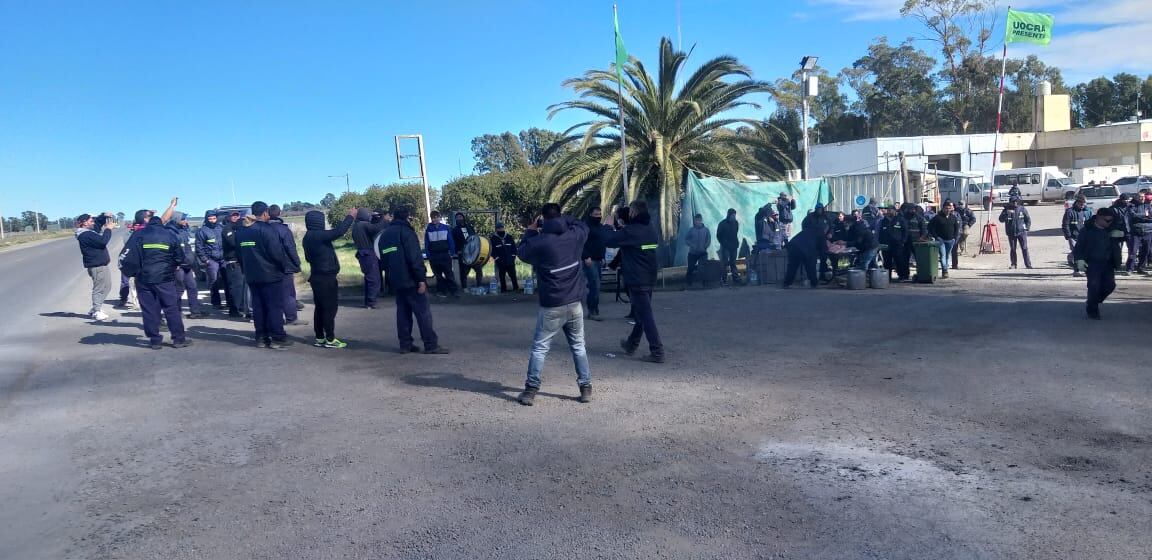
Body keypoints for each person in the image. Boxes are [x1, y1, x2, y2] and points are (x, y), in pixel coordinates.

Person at [515, 203, 592, 405]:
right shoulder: (574, 236)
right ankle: (585, 388)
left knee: (540, 348)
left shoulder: (540, 243)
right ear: (559, 216)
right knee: (578, 347)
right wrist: (562, 218)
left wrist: (531, 230)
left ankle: (531, 390)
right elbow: (583, 225)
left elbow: (522, 251)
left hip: (552, 305)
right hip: (574, 303)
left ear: (543, 220)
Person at [379, 207, 448, 354]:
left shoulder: (385, 235)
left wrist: (391, 275)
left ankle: (405, 345)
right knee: (423, 313)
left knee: (402, 313)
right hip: (411, 280)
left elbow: (383, 259)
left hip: (395, 280)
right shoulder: (407, 233)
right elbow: (414, 258)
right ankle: (431, 345)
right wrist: (421, 279)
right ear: (406, 218)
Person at [121, 211, 191, 349]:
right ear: (161, 224)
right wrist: (173, 266)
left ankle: (155, 340)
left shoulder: (138, 235)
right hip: (165, 278)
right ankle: (178, 339)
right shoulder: (169, 235)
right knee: (171, 308)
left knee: (149, 310)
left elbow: (127, 255)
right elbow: (179, 257)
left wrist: (133, 272)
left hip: (143, 278)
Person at [605, 200, 663, 363]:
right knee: (641, 314)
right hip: (649, 276)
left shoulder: (631, 231)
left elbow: (609, 240)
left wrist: (608, 225)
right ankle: (632, 344)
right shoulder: (650, 228)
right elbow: (632, 246)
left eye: (630, 211)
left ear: (634, 212)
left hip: (637, 278)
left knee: (645, 315)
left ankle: (657, 351)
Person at [236, 201, 293, 349]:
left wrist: (245, 270)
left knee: (258, 306)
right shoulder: (266, 229)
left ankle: (261, 337)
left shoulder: (241, 231)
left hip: (252, 275)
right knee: (274, 306)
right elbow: (277, 253)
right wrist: (282, 267)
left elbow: (239, 255)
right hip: (270, 275)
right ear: (265, 213)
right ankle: (277, 337)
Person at [303, 207, 356, 348]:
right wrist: (350, 217)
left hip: (316, 276)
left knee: (320, 308)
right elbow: (339, 231)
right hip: (326, 277)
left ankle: (319, 337)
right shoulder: (317, 235)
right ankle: (330, 339)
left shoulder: (307, 237)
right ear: (318, 222)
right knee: (329, 308)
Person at [1074, 208, 1122, 320]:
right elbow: (1079, 247)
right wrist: (1079, 260)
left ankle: (1093, 301)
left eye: (1111, 221)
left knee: (1110, 285)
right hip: (1092, 263)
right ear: (1098, 218)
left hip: (1108, 263)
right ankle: (1092, 309)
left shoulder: (1111, 229)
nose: (1109, 223)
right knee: (1094, 286)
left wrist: (1122, 234)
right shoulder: (1087, 230)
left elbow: (1127, 234)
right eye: (1107, 220)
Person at [267, 205, 307, 325]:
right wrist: (297, 263)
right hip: (285, 266)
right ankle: (291, 318)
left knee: (272, 294)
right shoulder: (283, 229)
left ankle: (275, 320)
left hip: (268, 266)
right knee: (288, 293)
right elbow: (291, 248)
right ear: (279, 213)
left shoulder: (263, 229)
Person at [75, 212, 114, 321]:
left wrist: (104, 216)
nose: (93, 222)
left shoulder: (89, 231)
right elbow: (103, 242)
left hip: (102, 265)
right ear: (84, 223)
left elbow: (97, 224)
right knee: (99, 288)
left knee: (107, 287)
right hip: (97, 266)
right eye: (91, 221)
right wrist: (108, 229)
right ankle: (96, 311)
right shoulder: (85, 235)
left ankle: (96, 308)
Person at [167, 213, 205, 319]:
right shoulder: (170, 232)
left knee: (192, 287)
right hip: (178, 266)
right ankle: (176, 313)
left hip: (188, 264)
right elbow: (171, 249)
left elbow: (187, 247)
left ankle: (195, 311)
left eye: (185, 219)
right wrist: (175, 263)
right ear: (176, 220)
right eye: (183, 219)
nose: (185, 221)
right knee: (178, 289)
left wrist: (192, 262)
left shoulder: (184, 230)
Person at [351, 208, 385, 308]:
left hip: (362, 255)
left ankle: (368, 302)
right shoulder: (363, 224)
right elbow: (377, 229)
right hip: (368, 254)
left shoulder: (356, 226)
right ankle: (371, 302)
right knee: (374, 279)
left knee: (369, 279)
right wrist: (383, 218)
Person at [221, 211, 249, 318]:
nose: (236, 217)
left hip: (241, 261)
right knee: (236, 287)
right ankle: (234, 310)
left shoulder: (239, 228)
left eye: (237, 215)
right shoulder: (227, 229)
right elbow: (233, 242)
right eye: (233, 216)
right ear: (229, 217)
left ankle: (241, 307)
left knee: (243, 287)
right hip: (233, 261)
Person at [581, 207, 609, 319]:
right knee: (595, 285)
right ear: (590, 214)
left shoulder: (600, 227)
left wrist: (602, 257)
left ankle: (594, 309)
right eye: (596, 214)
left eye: (599, 214)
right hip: (589, 260)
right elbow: (580, 243)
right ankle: (592, 311)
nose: (598, 216)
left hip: (598, 259)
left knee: (596, 286)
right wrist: (585, 256)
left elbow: (602, 242)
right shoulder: (585, 227)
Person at [782, 220, 826, 289]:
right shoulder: (820, 232)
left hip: (793, 245)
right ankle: (814, 283)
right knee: (811, 266)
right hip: (805, 248)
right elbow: (823, 248)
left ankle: (786, 283)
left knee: (792, 266)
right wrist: (824, 256)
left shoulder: (809, 229)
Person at [195, 210, 226, 310]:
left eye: (214, 218)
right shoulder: (202, 231)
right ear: (206, 219)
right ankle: (216, 302)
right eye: (210, 219)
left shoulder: (221, 228)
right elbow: (199, 247)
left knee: (227, 280)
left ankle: (231, 302)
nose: (212, 220)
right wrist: (205, 260)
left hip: (223, 259)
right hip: (211, 260)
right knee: (214, 281)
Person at [424, 211, 458, 297]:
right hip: (434, 256)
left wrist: (452, 252)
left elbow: (450, 241)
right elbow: (426, 243)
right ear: (431, 219)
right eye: (433, 218)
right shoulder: (428, 229)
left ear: (440, 218)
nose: (435, 219)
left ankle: (453, 291)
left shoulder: (446, 228)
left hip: (445, 255)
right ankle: (442, 291)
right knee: (438, 275)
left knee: (449, 273)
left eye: (436, 217)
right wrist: (429, 255)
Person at [928, 201, 961, 279]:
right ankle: (945, 271)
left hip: (950, 240)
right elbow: (930, 227)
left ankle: (945, 269)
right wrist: (936, 237)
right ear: (943, 208)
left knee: (947, 256)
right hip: (941, 240)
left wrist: (954, 238)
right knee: (943, 255)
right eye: (946, 208)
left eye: (949, 208)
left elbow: (957, 228)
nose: (947, 210)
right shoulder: (937, 217)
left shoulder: (953, 217)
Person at [1062, 196, 1093, 276]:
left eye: (1084, 204)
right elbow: (1065, 225)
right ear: (1077, 203)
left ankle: (1071, 256)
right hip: (1073, 236)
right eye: (1081, 204)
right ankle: (1077, 271)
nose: (1083, 205)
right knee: (1078, 253)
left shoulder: (1088, 211)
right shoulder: (1070, 211)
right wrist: (1068, 237)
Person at [452, 212, 483, 289]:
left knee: (478, 269)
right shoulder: (455, 230)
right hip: (462, 254)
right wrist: (457, 251)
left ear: (463, 218)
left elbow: (475, 237)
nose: (459, 218)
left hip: (473, 253)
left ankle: (479, 286)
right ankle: (464, 288)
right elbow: (453, 241)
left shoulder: (470, 227)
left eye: (460, 217)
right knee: (463, 272)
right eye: (457, 217)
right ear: (456, 219)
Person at [999, 200, 1033, 269]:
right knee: (1013, 249)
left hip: (1021, 232)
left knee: (1024, 248)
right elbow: (1001, 219)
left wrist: (1027, 228)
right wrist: (1006, 213)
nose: (1015, 203)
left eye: (1016, 201)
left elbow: (1028, 219)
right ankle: (1013, 264)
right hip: (1011, 233)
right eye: (1013, 201)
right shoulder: (1006, 209)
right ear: (1010, 202)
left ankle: (1028, 264)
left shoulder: (1022, 209)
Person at [879, 206, 910, 282]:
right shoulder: (884, 221)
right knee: (887, 262)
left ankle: (902, 276)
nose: (888, 212)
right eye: (888, 210)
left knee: (899, 260)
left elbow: (905, 231)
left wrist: (903, 241)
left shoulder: (900, 219)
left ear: (894, 211)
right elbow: (880, 232)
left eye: (890, 210)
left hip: (897, 244)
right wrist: (881, 242)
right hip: (886, 244)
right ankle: (887, 277)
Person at [489, 222, 519, 293]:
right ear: (496, 230)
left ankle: (516, 288)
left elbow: (514, 249)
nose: (501, 229)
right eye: (499, 228)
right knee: (502, 277)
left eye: (502, 228)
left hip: (510, 261)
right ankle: (503, 290)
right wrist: (497, 259)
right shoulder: (493, 239)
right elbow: (492, 251)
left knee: (513, 275)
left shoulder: (509, 237)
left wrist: (513, 257)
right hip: (500, 262)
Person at [683, 213, 710, 289]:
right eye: (696, 220)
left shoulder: (706, 230)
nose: (697, 222)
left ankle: (704, 284)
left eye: (698, 220)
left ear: (701, 220)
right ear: (694, 221)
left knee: (703, 268)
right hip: (693, 253)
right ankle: (688, 284)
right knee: (690, 268)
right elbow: (686, 239)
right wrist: (691, 245)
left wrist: (705, 246)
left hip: (703, 253)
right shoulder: (691, 230)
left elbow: (708, 240)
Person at [1129, 192, 1152, 275]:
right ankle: (1130, 268)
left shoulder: (1148, 205)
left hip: (1148, 231)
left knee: (1145, 251)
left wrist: (1144, 216)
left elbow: (1150, 216)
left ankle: (1141, 268)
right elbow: (1133, 216)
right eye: (1140, 197)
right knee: (1133, 251)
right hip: (1136, 231)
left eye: (1143, 196)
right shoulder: (1132, 206)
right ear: (1136, 198)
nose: (1142, 198)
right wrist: (1144, 215)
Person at [1110, 194, 1134, 274]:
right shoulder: (1113, 208)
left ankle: (1129, 267)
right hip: (1117, 231)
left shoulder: (1131, 207)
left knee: (1131, 250)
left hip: (1128, 231)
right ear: (1121, 200)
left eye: (1128, 200)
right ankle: (1117, 265)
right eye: (1125, 200)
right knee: (1117, 250)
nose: (1127, 201)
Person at [902, 203, 928, 274]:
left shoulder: (919, 218)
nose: (912, 211)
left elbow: (924, 230)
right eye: (910, 209)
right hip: (906, 242)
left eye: (913, 209)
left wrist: (921, 238)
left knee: (918, 259)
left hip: (917, 242)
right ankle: (905, 275)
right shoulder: (904, 218)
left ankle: (920, 274)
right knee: (905, 259)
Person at [716, 208, 740, 286]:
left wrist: (735, 243)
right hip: (725, 246)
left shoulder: (736, 223)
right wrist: (723, 243)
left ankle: (735, 279)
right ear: (729, 215)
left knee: (733, 263)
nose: (734, 216)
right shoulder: (722, 224)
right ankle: (724, 279)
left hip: (734, 246)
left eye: (734, 215)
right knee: (725, 263)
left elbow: (736, 233)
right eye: (733, 215)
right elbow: (718, 235)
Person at [953, 199, 976, 268]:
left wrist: (969, 224)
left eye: (962, 204)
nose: (960, 205)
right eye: (959, 204)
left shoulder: (968, 211)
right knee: (957, 236)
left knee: (965, 233)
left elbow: (973, 219)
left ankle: (961, 243)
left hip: (965, 225)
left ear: (964, 204)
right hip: (958, 225)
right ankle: (961, 248)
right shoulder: (956, 210)